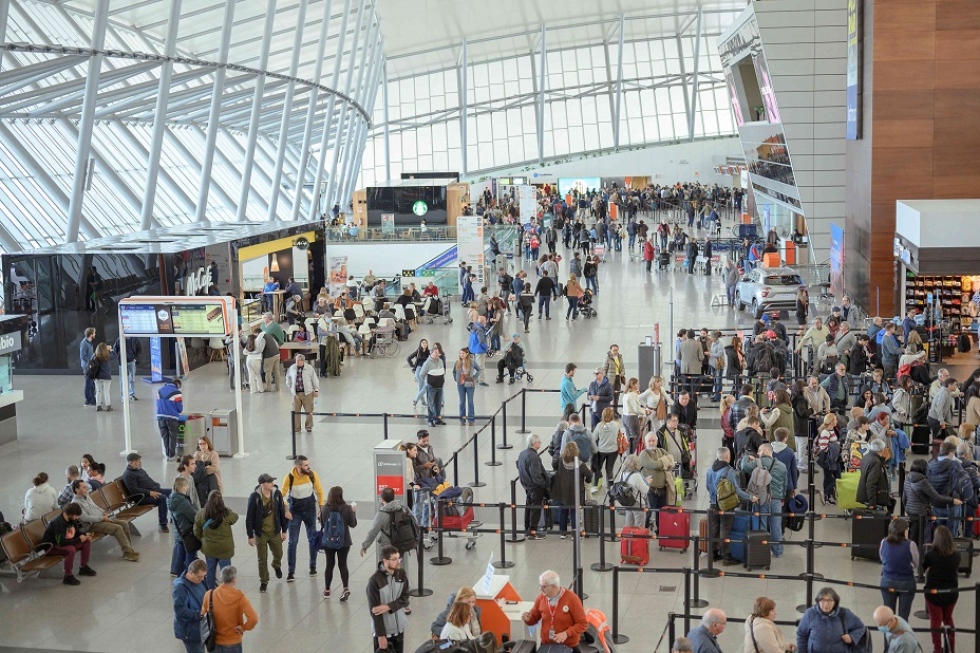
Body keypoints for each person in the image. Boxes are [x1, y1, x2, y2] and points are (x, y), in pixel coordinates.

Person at [281, 455, 326, 581]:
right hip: (294, 512)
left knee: (312, 539)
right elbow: (282, 495)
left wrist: (321, 510)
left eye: (308, 464)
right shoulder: (289, 478)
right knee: (292, 541)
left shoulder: (312, 475)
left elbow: (319, 491)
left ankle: (313, 566)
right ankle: (291, 571)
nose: (308, 467)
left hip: (310, 510)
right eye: (306, 465)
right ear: (298, 466)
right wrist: (286, 510)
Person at [71, 479, 139, 562]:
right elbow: (85, 518)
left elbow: (95, 507)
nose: (87, 489)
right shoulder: (75, 503)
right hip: (92, 525)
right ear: (77, 490)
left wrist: (104, 513)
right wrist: (102, 518)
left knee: (124, 523)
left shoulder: (86, 496)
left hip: (101, 519)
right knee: (117, 528)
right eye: (84, 487)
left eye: (86, 486)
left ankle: (129, 549)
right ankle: (127, 553)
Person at [706, 448, 754, 564]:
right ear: (728, 457)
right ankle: (726, 556)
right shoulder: (729, 471)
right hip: (726, 506)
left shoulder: (710, 470)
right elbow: (737, 490)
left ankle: (712, 554)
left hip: (713, 504)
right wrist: (750, 497)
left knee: (714, 528)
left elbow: (708, 486)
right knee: (725, 529)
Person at [740, 443, 788, 557]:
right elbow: (785, 484)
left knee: (762, 524)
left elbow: (744, 467)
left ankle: (762, 551)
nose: (758, 453)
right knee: (776, 525)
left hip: (762, 499)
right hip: (776, 499)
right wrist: (782, 497)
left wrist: (746, 457)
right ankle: (778, 551)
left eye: (760, 450)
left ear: (766, 450)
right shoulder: (782, 466)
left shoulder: (757, 463)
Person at [522, 570, 588, 649]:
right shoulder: (541, 598)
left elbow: (582, 624)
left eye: (544, 587)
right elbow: (534, 618)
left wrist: (566, 633)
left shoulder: (572, 599)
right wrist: (528, 619)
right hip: (546, 645)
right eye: (540, 586)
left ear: (553, 586)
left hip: (569, 646)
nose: (541, 589)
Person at [245, 473, 287, 594]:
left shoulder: (277, 494)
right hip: (261, 533)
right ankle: (264, 580)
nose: (272, 484)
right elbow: (249, 517)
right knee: (262, 559)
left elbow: (281, 512)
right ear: (262, 484)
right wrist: (250, 535)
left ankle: (276, 564)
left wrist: (284, 530)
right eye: (270, 482)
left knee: (279, 553)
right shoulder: (255, 497)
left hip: (274, 531)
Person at [922, 525, 960, 653]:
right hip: (951, 593)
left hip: (933, 593)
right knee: (948, 618)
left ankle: (937, 649)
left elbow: (923, 568)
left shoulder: (931, 555)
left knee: (935, 620)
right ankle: (951, 648)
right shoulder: (956, 555)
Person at [202, 566, 258, 653]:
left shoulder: (209, 595)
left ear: (221, 578)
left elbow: (202, 616)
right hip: (233, 642)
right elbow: (253, 619)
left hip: (214, 641)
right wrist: (244, 627)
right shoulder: (239, 597)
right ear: (234, 580)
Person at [796, 587, 867, 653]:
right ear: (818, 601)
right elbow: (802, 634)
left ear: (835, 602)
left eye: (830, 600)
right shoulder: (810, 613)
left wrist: (852, 637)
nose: (826, 604)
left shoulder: (845, 613)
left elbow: (860, 627)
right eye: (822, 600)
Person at [367, 545, 410, 653]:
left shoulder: (401, 574)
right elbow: (375, 612)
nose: (398, 562)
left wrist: (388, 607)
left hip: (399, 629)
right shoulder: (374, 581)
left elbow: (405, 598)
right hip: (384, 632)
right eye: (394, 559)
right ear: (385, 561)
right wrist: (381, 636)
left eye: (399, 558)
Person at [41, 502, 96, 585]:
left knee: (86, 541)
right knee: (70, 549)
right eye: (76, 516)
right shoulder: (57, 523)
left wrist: (84, 535)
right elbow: (62, 542)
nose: (77, 518)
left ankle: (84, 567)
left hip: (63, 542)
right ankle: (68, 576)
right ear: (70, 514)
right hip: (51, 546)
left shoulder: (72, 519)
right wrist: (79, 539)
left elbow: (77, 532)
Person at [194, 490, 238, 590]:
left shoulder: (201, 514)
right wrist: (224, 508)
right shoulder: (226, 514)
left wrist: (202, 539)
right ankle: (225, 591)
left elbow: (196, 531)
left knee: (210, 570)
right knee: (226, 572)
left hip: (209, 548)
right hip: (224, 549)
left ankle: (210, 591)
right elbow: (235, 517)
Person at [319, 486, 357, 600]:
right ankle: (345, 588)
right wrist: (354, 512)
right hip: (344, 541)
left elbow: (323, 524)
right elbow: (353, 524)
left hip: (328, 542)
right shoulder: (347, 508)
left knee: (329, 564)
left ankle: (327, 590)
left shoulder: (325, 508)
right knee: (343, 564)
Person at [878, 517, 918, 621]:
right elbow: (916, 563)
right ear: (904, 531)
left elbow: (883, 559)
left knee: (888, 616)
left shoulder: (883, 542)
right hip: (906, 582)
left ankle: (889, 631)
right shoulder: (911, 544)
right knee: (903, 616)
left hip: (887, 580)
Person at [551, 441, 592, 538]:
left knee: (563, 512)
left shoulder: (560, 461)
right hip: (575, 493)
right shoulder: (580, 464)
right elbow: (589, 474)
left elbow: (554, 465)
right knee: (574, 513)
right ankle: (575, 534)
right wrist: (587, 480)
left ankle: (563, 533)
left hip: (562, 491)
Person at [122, 453, 171, 532]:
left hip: (151, 491)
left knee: (172, 492)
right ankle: (163, 524)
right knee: (162, 498)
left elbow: (148, 480)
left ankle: (174, 516)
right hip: (141, 497)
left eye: (140, 460)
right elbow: (134, 490)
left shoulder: (139, 470)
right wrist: (149, 493)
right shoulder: (128, 475)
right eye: (137, 461)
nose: (140, 462)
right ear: (130, 462)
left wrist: (156, 486)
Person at [517, 433, 550, 540]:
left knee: (528, 507)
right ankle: (532, 532)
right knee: (535, 509)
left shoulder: (523, 453)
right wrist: (544, 485)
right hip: (535, 487)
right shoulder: (534, 457)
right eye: (539, 442)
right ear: (534, 443)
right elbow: (536, 475)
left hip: (527, 485)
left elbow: (518, 465)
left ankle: (527, 528)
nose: (540, 443)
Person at [173, 559, 208, 653]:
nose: (202, 579)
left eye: (204, 576)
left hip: (202, 628)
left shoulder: (201, 581)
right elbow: (180, 611)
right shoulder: (181, 588)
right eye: (199, 576)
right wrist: (199, 615)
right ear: (191, 572)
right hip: (190, 631)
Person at [169, 477, 200, 577]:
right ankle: (188, 576)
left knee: (180, 556)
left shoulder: (172, 499)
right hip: (187, 532)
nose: (187, 487)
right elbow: (193, 517)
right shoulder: (183, 502)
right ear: (181, 487)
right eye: (186, 485)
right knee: (190, 556)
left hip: (179, 532)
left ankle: (180, 575)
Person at [284, 353, 319, 433]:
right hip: (296, 394)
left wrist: (316, 389)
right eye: (296, 360)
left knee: (309, 411)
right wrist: (289, 385)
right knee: (295, 411)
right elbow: (288, 376)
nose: (296, 362)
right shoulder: (292, 368)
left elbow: (315, 379)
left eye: (298, 360)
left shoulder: (309, 368)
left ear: (302, 361)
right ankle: (297, 428)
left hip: (307, 394)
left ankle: (309, 427)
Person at [591, 407, 622, 492]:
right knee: (609, 469)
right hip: (613, 450)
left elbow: (593, 438)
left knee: (598, 468)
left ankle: (595, 485)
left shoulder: (599, 426)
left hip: (601, 450)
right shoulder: (617, 425)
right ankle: (610, 486)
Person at [857, 438, 891, 510]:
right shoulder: (876, 462)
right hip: (876, 499)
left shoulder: (866, 457)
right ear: (882, 450)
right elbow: (871, 483)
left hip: (865, 494)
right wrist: (872, 503)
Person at [419, 345, 447, 427]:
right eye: (435, 353)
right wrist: (427, 382)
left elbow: (442, 371)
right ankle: (430, 420)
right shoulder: (427, 363)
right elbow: (421, 374)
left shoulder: (440, 361)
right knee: (430, 404)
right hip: (431, 387)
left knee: (438, 405)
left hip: (440, 387)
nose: (437, 354)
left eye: (438, 353)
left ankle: (437, 419)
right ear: (431, 353)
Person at [156, 378, 183, 461]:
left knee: (165, 436)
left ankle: (167, 455)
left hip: (160, 417)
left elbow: (158, 404)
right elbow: (179, 408)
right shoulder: (177, 392)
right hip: (172, 418)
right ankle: (171, 456)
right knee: (172, 436)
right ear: (178, 384)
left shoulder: (159, 391)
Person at [453, 348, 482, 425]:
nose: (461, 355)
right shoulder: (457, 362)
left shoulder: (471, 362)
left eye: (463, 353)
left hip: (469, 382)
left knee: (470, 401)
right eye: (460, 353)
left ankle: (471, 420)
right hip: (460, 383)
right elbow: (454, 371)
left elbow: (479, 369)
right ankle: (462, 420)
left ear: (467, 354)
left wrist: (474, 377)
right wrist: (456, 378)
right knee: (462, 402)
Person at [112, 336, 142, 402]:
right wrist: (118, 358)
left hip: (131, 361)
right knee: (122, 380)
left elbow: (139, 349)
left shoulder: (135, 339)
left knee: (132, 378)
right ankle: (123, 396)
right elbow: (115, 349)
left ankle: (131, 394)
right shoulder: (120, 339)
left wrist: (135, 358)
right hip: (122, 362)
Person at [602, 344, 627, 415]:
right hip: (610, 380)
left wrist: (622, 373)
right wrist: (605, 380)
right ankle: (610, 411)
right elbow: (604, 370)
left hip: (618, 378)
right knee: (611, 395)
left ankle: (615, 410)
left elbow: (622, 368)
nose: (615, 352)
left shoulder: (620, 357)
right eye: (614, 350)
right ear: (610, 350)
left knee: (617, 395)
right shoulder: (607, 358)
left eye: (617, 350)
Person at [79, 327, 98, 408]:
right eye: (94, 333)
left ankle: (93, 399)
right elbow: (83, 356)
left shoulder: (89, 342)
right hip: (87, 366)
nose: (95, 334)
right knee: (88, 383)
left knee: (92, 383)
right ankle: (88, 401)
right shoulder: (84, 343)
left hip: (90, 365)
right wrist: (90, 362)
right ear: (90, 335)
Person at [91, 342, 113, 411]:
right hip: (106, 376)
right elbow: (115, 355)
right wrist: (110, 350)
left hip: (97, 376)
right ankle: (108, 406)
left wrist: (95, 353)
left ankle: (98, 405)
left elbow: (91, 360)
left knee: (98, 391)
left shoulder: (95, 357)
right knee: (106, 391)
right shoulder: (107, 357)